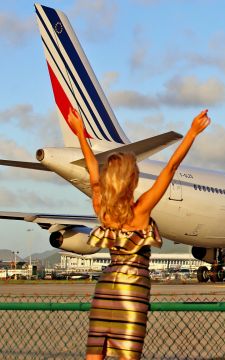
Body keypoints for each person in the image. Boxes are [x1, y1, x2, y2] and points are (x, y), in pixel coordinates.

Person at [67, 107, 211, 360]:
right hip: (132, 292)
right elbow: (171, 168)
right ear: (132, 180)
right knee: (128, 354)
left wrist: (80, 133)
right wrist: (192, 133)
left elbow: (93, 173)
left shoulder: (104, 211)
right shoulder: (142, 210)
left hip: (105, 290)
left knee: (94, 352)